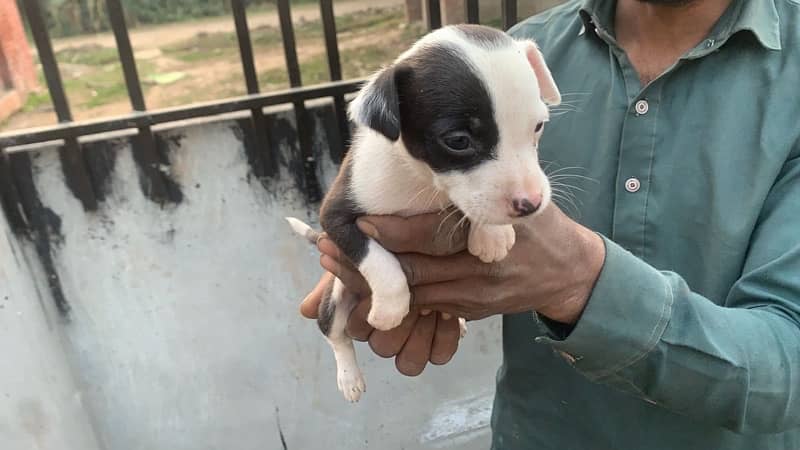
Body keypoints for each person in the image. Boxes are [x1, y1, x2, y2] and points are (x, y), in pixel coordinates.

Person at [300, 0, 800, 448]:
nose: (529, 190)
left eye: (537, 129)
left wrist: (582, 282)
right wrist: (398, 250)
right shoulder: (515, 54)